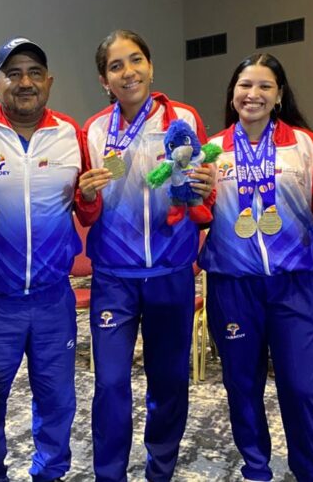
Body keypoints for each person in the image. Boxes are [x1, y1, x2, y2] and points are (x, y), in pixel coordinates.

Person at [199, 53, 313, 482]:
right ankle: (255, 468)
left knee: (299, 387)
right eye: (244, 85)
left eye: (264, 86)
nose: (252, 94)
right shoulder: (212, 150)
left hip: (293, 285)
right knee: (241, 387)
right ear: (232, 93)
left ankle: (312, 472)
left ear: (279, 96)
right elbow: (196, 214)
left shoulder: (304, 144)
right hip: (232, 287)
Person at [0, 37, 102, 482]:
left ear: (49, 82)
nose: (25, 82)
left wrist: (91, 199)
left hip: (52, 298)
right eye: (14, 73)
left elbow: (86, 208)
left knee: (57, 401)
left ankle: (50, 473)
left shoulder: (70, 133)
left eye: (35, 73)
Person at [82, 30, 216, 481]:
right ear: (105, 79)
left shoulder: (184, 117)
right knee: (111, 384)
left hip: (170, 271)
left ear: (151, 66)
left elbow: (202, 195)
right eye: (116, 66)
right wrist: (84, 195)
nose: (128, 72)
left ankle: (160, 470)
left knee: (169, 382)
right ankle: (110, 474)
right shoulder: (95, 129)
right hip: (113, 277)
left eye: (135, 60)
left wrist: (203, 191)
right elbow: (88, 204)